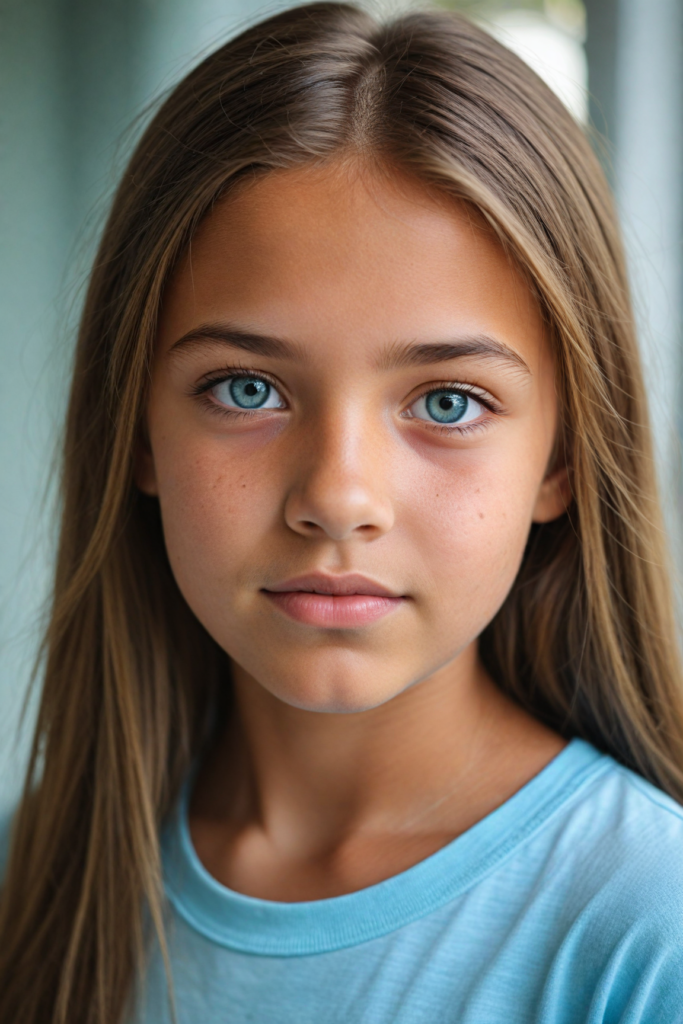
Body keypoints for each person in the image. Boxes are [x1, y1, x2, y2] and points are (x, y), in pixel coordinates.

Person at [2, 3, 683, 1022]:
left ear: (563, 458)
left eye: (446, 402)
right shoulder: (32, 881)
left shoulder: (645, 926)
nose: (336, 497)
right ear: (136, 432)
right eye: (245, 389)